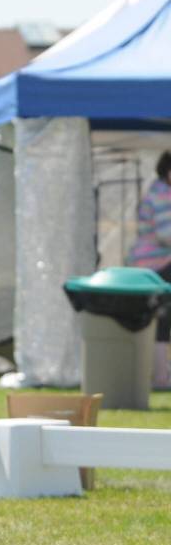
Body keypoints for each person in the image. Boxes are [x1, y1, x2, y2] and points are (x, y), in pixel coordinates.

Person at [127, 151, 171, 387]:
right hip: (156, 266)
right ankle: (161, 376)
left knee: (160, 320)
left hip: (154, 266)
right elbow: (167, 234)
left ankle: (161, 373)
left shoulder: (160, 191)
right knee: (161, 319)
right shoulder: (163, 195)